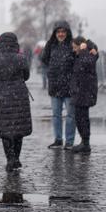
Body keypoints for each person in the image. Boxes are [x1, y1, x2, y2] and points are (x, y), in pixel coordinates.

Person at [0, 32, 32, 172]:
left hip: (3, 97)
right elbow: (26, 75)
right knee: (18, 129)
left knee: (6, 130)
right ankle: (17, 158)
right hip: (20, 96)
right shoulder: (22, 59)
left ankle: (10, 159)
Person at [40, 21, 77, 149]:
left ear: (67, 33)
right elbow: (43, 58)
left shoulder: (73, 45)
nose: (61, 34)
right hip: (55, 86)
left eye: (63, 32)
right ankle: (58, 139)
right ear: (55, 33)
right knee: (56, 115)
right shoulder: (51, 45)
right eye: (58, 32)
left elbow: (87, 46)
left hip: (69, 87)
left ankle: (69, 141)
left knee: (71, 116)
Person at [69, 36, 99, 153]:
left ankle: (86, 144)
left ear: (81, 46)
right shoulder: (83, 54)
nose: (74, 50)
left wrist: (84, 49)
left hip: (85, 91)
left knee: (83, 118)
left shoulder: (87, 54)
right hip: (80, 91)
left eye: (75, 47)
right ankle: (84, 142)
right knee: (79, 118)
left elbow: (87, 63)